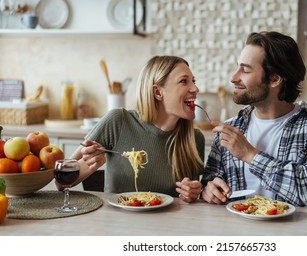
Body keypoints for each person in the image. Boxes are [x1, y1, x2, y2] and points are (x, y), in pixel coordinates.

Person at [201, 31, 307, 208]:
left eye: (245, 70)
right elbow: (209, 184)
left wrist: (250, 155)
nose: (233, 77)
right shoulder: (231, 127)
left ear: (274, 79)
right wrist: (208, 190)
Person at [58, 56, 205, 203]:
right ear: (158, 93)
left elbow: (190, 199)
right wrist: (88, 165)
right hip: (116, 222)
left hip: (168, 224)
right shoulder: (118, 121)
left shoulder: (194, 138)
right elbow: (60, 182)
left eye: (194, 81)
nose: (195, 89)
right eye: (184, 81)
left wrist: (191, 192)